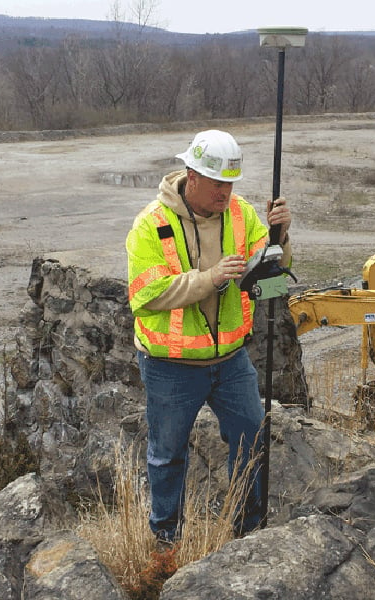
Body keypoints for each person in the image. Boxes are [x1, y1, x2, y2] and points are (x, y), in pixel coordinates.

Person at [125, 129, 292, 545]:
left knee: (251, 437)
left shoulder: (241, 214)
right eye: (218, 183)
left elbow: (271, 273)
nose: (226, 192)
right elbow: (145, 298)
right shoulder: (151, 225)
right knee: (167, 455)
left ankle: (247, 530)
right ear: (192, 175)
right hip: (170, 366)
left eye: (231, 182)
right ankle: (166, 539)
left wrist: (280, 237)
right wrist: (211, 279)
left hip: (232, 359)